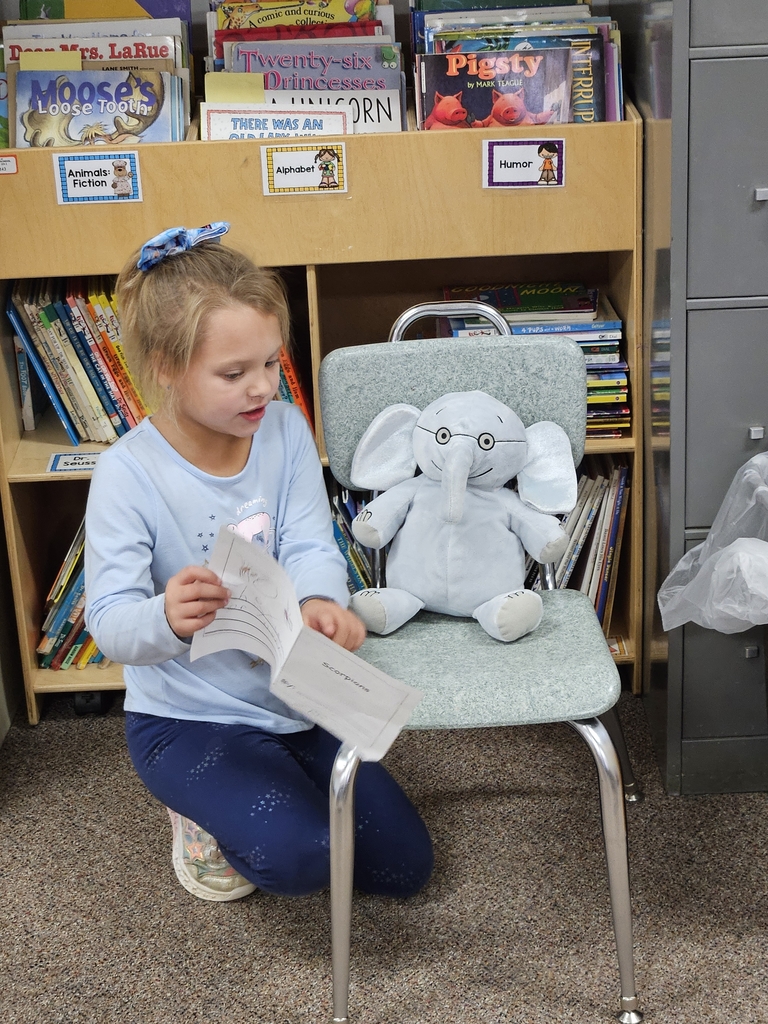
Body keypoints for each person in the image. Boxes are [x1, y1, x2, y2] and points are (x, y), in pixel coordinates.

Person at [85, 223, 434, 902]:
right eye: (233, 373)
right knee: (303, 861)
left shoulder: (284, 429)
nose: (261, 388)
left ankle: (257, 790)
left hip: (292, 692)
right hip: (185, 721)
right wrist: (168, 617)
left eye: (272, 363)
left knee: (404, 867)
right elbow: (109, 622)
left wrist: (318, 604)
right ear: (164, 365)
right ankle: (196, 817)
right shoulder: (127, 474)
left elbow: (308, 541)